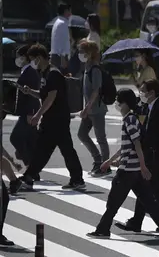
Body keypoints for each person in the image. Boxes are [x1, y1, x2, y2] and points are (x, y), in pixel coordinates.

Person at [87, 89, 159, 238]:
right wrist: (109, 161)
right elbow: (127, 145)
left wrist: (142, 166)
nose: (117, 105)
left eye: (119, 102)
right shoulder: (131, 119)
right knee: (147, 199)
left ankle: (103, 229)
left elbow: (137, 143)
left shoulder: (130, 120)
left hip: (128, 169)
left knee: (114, 200)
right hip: (134, 169)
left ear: (126, 104)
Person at [117, 79, 159, 232]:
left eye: (143, 90)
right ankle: (137, 221)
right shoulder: (146, 107)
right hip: (150, 155)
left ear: (152, 93)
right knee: (145, 187)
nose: (141, 93)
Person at [19, 44, 84, 190]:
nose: (31, 63)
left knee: (49, 149)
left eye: (32, 60)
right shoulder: (45, 73)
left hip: (56, 118)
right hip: (54, 118)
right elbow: (44, 94)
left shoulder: (53, 73)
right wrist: (30, 92)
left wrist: (38, 114)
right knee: (50, 149)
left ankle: (29, 177)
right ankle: (76, 179)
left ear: (39, 58)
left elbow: (52, 96)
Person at [77, 40, 111, 176]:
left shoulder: (95, 69)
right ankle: (98, 160)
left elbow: (96, 91)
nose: (80, 54)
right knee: (82, 134)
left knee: (101, 138)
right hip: (90, 109)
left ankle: (105, 166)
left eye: (82, 51)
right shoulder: (87, 67)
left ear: (90, 53)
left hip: (96, 110)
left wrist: (87, 108)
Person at [10, 45, 40, 174]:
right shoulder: (26, 71)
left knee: (15, 138)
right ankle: (33, 170)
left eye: (20, 56)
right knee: (30, 141)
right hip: (27, 111)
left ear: (26, 58)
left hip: (29, 112)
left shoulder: (30, 72)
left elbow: (32, 95)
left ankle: (31, 168)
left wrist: (31, 112)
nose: (18, 59)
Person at [50, 3, 72, 71]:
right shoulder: (62, 23)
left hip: (56, 56)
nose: (70, 13)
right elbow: (63, 41)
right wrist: (63, 58)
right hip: (60, 57)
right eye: (69, 11)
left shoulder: (57, 22)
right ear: (65, 11)